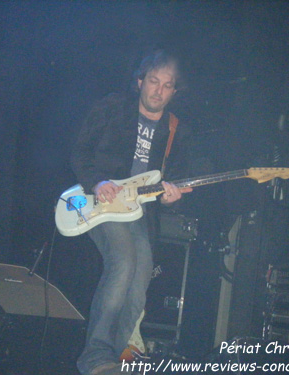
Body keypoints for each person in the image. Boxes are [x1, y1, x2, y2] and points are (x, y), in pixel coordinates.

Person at [71, 50, 193, 375]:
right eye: (153, 81)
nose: (158, 91)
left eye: (167, 85)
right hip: (100, 202)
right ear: (140, 82)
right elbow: (80, 150)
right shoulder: (113, 107)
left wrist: (173, 198)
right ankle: (95, 357)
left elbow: (172, 183)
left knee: (141, 278)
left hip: (139, 212)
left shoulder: (175, 130)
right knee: (123, 262)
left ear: (174, 91)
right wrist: (96, 182)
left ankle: (114, 356)